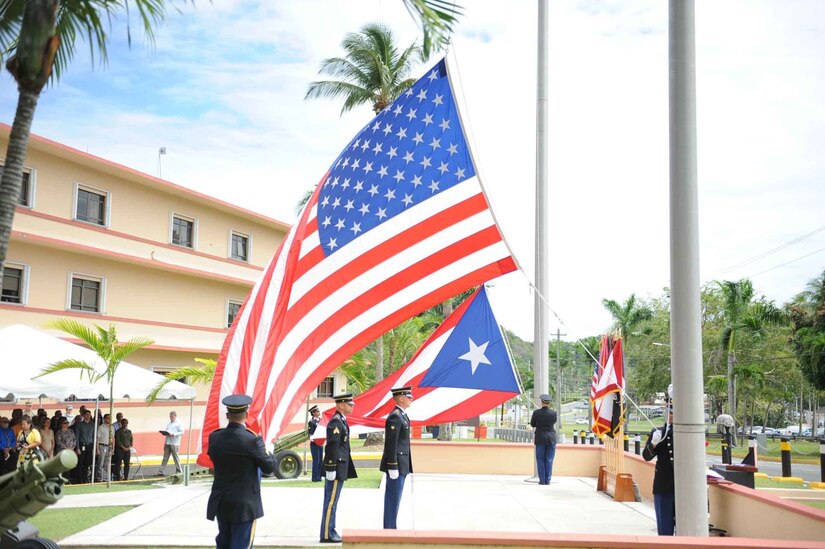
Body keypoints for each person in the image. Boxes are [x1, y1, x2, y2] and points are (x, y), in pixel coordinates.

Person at [207, 394, 276, 549]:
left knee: (224, 544)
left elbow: (213, 457)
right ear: (246, 415)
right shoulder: (252, 440)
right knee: (241, 545)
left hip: (222, 500)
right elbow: (269, 467)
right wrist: (268, 452)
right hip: (244, 505)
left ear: (227, 415)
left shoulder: (215, 437)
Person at [320, 393, 357, 543]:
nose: (352, 406)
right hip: (335, 467)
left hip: (340, 467)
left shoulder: (341, 421)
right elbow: (332, 446)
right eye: (350, 404)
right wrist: (330, 467)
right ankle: (327, 534)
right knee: (330, 502)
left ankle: (330, 530)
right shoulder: (336, 422)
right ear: (341, 404)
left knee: (333, 501)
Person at [380, 386, 413, 529]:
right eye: (408, 396)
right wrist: (392, 465)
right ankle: (390, 528)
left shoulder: (403, 415)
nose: (411, 399)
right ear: (400, 398)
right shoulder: (395, 416)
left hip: (402, 463)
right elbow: (391, 443)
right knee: (393, 498)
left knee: (396, 498)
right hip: (396, 464)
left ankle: (391, 527)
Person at [643, 406, 675, 535]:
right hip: (664, 483)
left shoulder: (686, 432)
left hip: (683, 485)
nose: (672, 415)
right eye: (670, 412)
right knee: (664, 527)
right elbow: (646, 456)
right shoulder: (659, 432)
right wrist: (653, 444)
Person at [530, 394, 558, 485]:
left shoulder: (536, 413)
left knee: (540, 459)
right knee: (549, 459)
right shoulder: (553, 413)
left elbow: (532, 424)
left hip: (540, 438)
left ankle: (542, 480)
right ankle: (548, 480)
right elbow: (554, 422)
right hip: (551, 438)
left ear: (541, 402)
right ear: (549, 403)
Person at [160, 411, 184, 475]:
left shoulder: (179, 423)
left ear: (175, 416)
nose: (170, 418)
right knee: (165, 458)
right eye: (170, 417)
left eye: (171, 416)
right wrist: (165, 433)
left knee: (176, 457)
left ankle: (179, 471)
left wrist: (174, 434)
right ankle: (160, 471)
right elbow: (168, 430)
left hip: (174, 443)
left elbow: (182, 432)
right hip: (167, 442)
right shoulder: (169, 423)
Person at [75, 410, 96, 483]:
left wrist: (94, 447)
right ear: (83, 415)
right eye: (86, 414)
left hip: (89, 445)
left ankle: (86, 477)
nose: (88, 416)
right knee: (81, 462)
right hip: (82, 445)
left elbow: (94, 437)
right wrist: (77, 448)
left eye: (89, 415)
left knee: (87, 463)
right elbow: (77, 437)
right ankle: (80, 479)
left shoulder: (92, 424)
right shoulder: (79, 425)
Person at [308, 405, 323, 482]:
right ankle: (315, 478)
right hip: (314, 444)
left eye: (318, 411)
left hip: (321, 443)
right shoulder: (311, 422)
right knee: (316, 461)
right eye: (317, 411)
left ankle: (319, 477)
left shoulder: (321, 420)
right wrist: (314, 439)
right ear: (313, 413)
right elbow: (310, 434)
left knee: (320, 460)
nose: (319, 412)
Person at [96, 414, 113, 481]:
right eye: (108, 418)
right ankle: (100, 478)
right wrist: (97, 449)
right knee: (101, 463)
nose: (109, 420)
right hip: (102, 446)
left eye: (110, 418)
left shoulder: (112, 428)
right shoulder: (101, 427)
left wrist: (113, 448)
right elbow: (98, 438)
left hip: (109, 446)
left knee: (107, 463)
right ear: (105, 419)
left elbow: (113, 438)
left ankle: (105, 478)